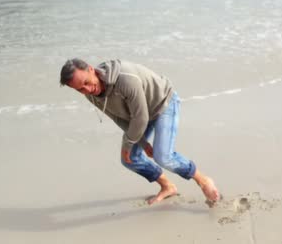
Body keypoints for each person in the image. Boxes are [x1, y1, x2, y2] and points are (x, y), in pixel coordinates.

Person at [60, 59, 220, 205]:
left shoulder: (124, 78)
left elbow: (141, 118)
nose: (87, 89)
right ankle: (167, 186)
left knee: (163, 156)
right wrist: (142, 143)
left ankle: (203, 180)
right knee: (129, 159)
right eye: (80, 89)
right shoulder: (90, 94)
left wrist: (129, 144)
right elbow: (119, 118)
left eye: (86, 83)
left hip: (163, 103)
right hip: (139, 114)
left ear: (90, 69)